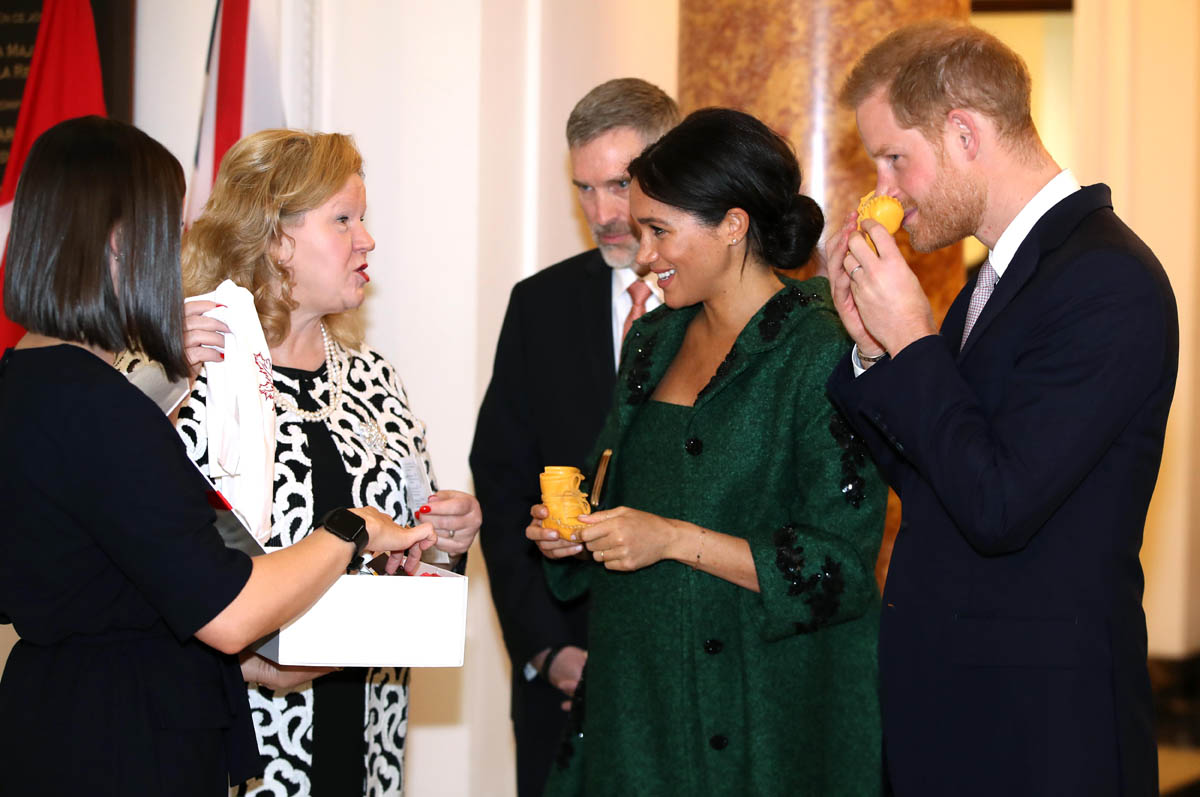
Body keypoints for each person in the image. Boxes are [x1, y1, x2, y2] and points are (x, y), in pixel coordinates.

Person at [0, 117, 436, 796]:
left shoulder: (31, 380)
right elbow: (228, 610)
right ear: (120, 242)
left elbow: (122, 587)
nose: (177, 254)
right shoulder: (100, 403)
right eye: (169, 232)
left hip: (82, 722)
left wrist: (258, 667)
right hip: (121, 745)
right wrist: (352, 528)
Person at [825, 21, 1177, 797]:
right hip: (955, 710)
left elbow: (999, 505)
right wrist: (875, 351)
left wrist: (913, 338)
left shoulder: (1108, 279)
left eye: (894, 158)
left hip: (1042, 732)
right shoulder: (993, 278)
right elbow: (936, 480)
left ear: (964, 133)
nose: (884, 189)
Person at [528, 108, 887, 796]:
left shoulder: (820, 351)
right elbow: (610, 490)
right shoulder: (651, 341)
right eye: (641, 232)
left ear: (733, 224)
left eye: (659, 231)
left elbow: (837, 568)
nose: (644, 256)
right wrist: (573, 533)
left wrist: (671, 538)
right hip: (636, 712)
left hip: (759, 719)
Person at [178, 129, 482, 796]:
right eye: (343, 219)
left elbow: (414, 546)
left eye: (362, 218)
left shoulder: (377, 380)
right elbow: (165, 571)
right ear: (274, 238)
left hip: (369, 734)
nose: (367, 239)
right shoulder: (197, 382)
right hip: (247, 736)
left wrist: (446, 536)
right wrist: (255, 664)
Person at [470, 77, 678, 795]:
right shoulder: (540, 305)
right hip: (565, 675)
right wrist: (546, 648)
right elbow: (501, 482)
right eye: (584, 189)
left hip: (693, 670)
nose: (603, 214)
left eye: (619, 185)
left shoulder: (731, 307)